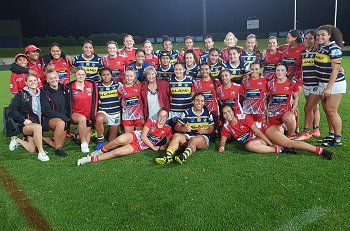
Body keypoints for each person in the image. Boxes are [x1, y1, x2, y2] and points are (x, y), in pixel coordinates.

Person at [218, 105, 333, 160]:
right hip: (257, 139)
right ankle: (279, 150)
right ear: (222, 115)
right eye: (224, 113)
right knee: (249, 146)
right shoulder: (226, 127)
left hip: (265, 130)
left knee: (289, 143)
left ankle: (320, 151)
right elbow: (222, 142)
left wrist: (270, 143)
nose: (227, 114)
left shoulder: (244, 117)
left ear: (234, 111)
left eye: (229, 111)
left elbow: (258, 132)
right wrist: (221, 147)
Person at [77, 108, 172, 166]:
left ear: (167, 118)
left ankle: (89, 159)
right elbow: (143, 136)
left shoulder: (168, 129)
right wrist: (153, 147)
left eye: (164, 116)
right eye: (160, 116)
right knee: (119, 139)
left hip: (139, 146)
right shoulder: (151, 122)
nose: (162, 118)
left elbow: (168, 142)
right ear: (157, 116)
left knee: (117, 152)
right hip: (136, 136)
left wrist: (161, 147)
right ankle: (99, 151)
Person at [155, 93, 214, 164]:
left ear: (204, 102)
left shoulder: (208, 113)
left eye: (202, 101)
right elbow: (177, 126)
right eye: (197, 100)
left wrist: (205, 131)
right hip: (188, 137)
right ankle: (167, 156)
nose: (199, 103)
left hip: (202, 138)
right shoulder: (187, 112)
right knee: (176, 135)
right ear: (193, 101)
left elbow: (211, 128)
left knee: (194, 140)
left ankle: (183, 156)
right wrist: (184, 129)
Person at [315, 25, 346, 147]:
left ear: (329, 36)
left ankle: (337, 139)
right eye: (318, 35)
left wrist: (328, 88)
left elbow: (335, 70)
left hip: (334, 84)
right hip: (323, 83)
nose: (320, 37)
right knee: (327, 111)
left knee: (332, 111)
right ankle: (331, 135)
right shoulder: (321, 47)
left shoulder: (334, 48)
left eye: (323, 35)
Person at [8, 73, 50, 161]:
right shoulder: (21, 94)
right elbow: (12, 110)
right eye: (30, 81)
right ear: (26, 82)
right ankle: (41, 152)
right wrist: (23, 120)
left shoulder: (42, 93)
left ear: (37, 81)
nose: (33, 82)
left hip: (38, 126)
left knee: (32, 149)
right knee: (37, 127)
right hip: (26, 125)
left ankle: (17, 140)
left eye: (34, 80)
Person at [40, 69, 71, 157]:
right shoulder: (43, 91)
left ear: (58, 77)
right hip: (48, 118)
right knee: (60, 123)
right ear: (47, 80)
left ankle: (43, 138)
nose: (53, 80)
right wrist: (63, 117)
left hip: (63, 118)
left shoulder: (64, 88)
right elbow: (46, 110)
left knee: (61, 143)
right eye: (51, 78)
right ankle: (58, 150)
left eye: (55, 77)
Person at [297, 30, 321, 141]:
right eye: (306, 38)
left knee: (308, 107)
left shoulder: (318, 51)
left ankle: (307, 131)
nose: (307, 40)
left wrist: (339, 69)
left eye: (311, 38)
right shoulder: (303, 52)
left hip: (316, 84)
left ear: (315, 39)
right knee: (314, 107)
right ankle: (316, 129)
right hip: (306, 83)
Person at [68, 67, 98, 153]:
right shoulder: (70, 86)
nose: (81, 76)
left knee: (84, 139)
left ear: (85, 75)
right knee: (82, 119)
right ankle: (83, 144)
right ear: (75, 75)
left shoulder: (91, 85)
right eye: (78, 74)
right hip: (76, 114)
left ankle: (78, 135)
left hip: (88, 116)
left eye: (83, 75)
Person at [267, 64, 299, 139]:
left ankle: (291, 136)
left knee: (291, 118)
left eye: (282, 70)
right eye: (278, 70)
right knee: (277, 138)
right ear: (275, 72)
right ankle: (283, 129)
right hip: (273, 113)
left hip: (285, 111)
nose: (280, 72)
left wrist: (294, 108)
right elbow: (266, 97)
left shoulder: (292, 83)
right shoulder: (270, 84)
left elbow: (297, 96)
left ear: (286, 72)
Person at [94, 67, 123, 150]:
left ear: (111, 75)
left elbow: (125, 94)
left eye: (108, 75)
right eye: (103, 75)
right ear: (101, 76)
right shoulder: (98, 86)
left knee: (111, 140)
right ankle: (100, 141)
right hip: (104, 111)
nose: (106, 77)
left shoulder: (118, 85)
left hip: (115, 113)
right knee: (98, 118)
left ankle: (109, 134)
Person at [118, 67, 144, 133]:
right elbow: (119, 101)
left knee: (139, 137)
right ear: (124, 76)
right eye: (127, 76)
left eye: (131, 76)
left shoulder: (139, 86)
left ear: (134, 76)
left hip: (138, 115)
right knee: (129, 137)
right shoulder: (121, 88)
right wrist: (121, 103)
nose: (129, 78)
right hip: (127, 116)